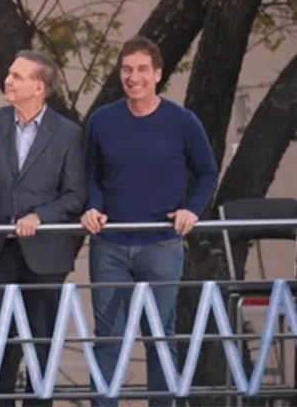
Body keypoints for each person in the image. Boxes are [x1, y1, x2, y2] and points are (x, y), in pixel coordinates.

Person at [82, 36, 218, 407]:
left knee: (160, 337)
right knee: (108, 338)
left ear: (157, 73)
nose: (133, 76)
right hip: (109, 244)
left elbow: (207, 173)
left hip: (162, 243)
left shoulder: (182, 122)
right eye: (127, 69)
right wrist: (92, 206)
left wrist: (192, 209)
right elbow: (90, 173)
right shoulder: (102, 121)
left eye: (142, 69)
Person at [0, 50, 86, 406]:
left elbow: (75, 195)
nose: (8, 80)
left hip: (45, 256)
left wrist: (40, 217)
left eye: (17, 76)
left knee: (41, 350)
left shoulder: (67, 134)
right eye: (10, 74)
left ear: (39, 87)